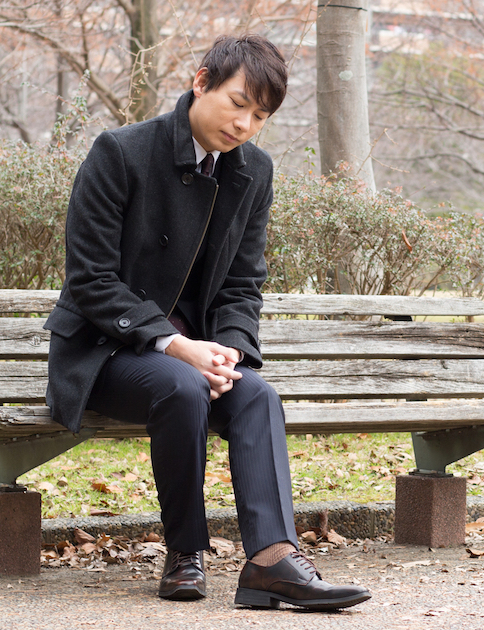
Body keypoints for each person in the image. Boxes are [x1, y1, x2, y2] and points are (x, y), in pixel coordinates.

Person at [42, 34, 371, 611]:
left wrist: (229, 350)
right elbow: (90, 280)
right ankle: (185, 552)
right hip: (105, 352)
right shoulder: (121, 152)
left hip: (196, 354)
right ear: (201, 83)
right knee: (181, 385)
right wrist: (176, 345)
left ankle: (272, 561)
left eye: (260, 116)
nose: (245, 124)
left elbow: (243, 283)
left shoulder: (253, 172)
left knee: (257, 396)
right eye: (238, 103)